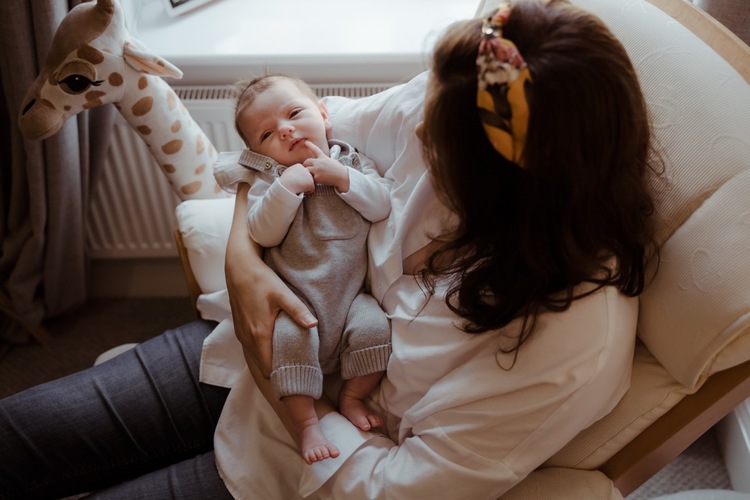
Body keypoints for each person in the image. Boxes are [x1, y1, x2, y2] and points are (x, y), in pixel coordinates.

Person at [0, 1, 659, 498]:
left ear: (504, 189)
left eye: (435, 143)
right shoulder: (458, 98)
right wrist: (241, 262)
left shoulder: (569, 343)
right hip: (240, 337)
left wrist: (290, 395)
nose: (416, 128)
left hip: (307, 463)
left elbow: (393, 488)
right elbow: (280, 146)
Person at [213, 74, 393, 464]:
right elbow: (260, 231)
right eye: (266, 135)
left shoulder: (353, 161)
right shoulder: (271, 180)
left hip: (351, 302)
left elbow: (381, 205)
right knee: (290, 342)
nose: (285, 130)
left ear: (324, 116)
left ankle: (352, 396)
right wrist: (286, 190)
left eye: (294, 113)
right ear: (260, 153)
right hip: (296, 299)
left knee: (376, 329)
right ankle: (306, 423)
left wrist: (343, 178)